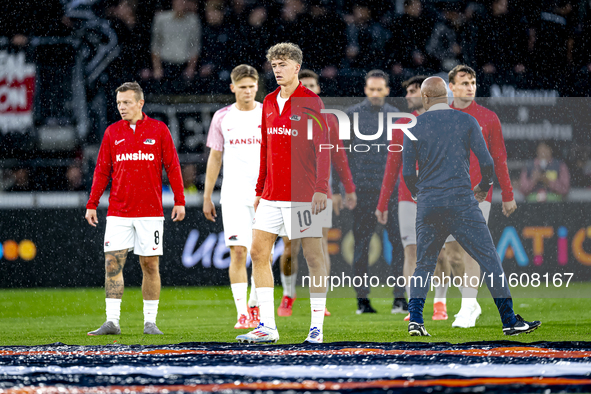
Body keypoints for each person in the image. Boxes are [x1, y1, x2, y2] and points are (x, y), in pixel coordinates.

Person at [403, 77, 540, 337]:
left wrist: (418, 193)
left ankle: (416, 320)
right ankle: (509, 319)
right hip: (461, 202)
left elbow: (408, 172)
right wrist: (483, 186)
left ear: (424, 99)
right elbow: (487, 162)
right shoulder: (466, 121)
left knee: (424, 264)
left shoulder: (413, 126)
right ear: (447, 95)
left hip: (430, 203)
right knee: (489, 260)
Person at [236, 42, 330, 344]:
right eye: (274, 65)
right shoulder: (269, 102)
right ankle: (267, 326)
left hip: (304, 194)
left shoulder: (311, 102)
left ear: (297, 67)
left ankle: (316, 327)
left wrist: (321, 189)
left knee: (314, 257)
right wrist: (260, 189)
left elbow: (323, 149)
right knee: (258, 252)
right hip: (272, 195)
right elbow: (265, 149)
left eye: (283, 64)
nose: (277, 70)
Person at [85, 82, 185, 336]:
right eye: (119, 103)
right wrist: (92, 203)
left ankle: (150, 322)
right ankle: (112, 321)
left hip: (150, 213)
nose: (121, 107)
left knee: (150, 266)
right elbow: (101, 171)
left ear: (140, 103)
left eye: (127, 102)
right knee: (113, 265)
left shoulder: (159, 129)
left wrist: (180, 200)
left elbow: (173, 166)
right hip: (118, 212)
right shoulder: (112, 133)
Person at [438, 65, 517, 329]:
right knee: (453, 256)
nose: (470, 87)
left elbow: (500, 158)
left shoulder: (488, 117)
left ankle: (467, 307)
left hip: (478, 194)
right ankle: (470, 301)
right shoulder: (441, 116)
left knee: (471, 252)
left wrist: (507, 193)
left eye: (473, 82)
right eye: (464, 83)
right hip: (446, 194)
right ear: (451, 86)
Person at [277, 69, 357, 318]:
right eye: (305, 86)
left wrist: (347, 189)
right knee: (290, 247)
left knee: (320, 246)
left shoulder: (328, 119)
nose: (309, 90)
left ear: (318, 89)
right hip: (289, 191)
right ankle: (288, 295)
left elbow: (338, 156)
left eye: (312, 85)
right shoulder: (286, 115)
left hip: (318, 193)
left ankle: (319, 301)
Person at [376, 75, 448, 320]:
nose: (407, 96)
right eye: (406, 91)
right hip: (407, 199)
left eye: (412, 90)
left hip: (437, 197)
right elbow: (391, 166)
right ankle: (414, 306)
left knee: (438, 253)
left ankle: (440, 303)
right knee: (411, 251)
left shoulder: (442, 123)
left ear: (426, 94)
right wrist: (382, 202)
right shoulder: (401, 126)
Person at [203, 64, 263, 330]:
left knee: (261, 255)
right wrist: (207, 196)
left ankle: (255, 306)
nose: (248, 91)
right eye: (242, 87)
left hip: (264, 195)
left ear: (257, 86)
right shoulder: (222, 117)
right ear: (233, 88)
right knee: (238, 252)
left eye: (251, 86)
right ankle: (242, 313)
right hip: (234, 195)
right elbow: (215, 157)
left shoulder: (268, 114)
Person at [340, 70, 405, 314]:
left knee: (399, 244)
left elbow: (405, 158)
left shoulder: (397, 118)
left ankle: (400, 298)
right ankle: (362, 300)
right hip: (362, 191)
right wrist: (344, 189)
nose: (376, 93)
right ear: (365, 90)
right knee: (361, 245)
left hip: (393, 192)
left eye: (380, 89)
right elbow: (340, 157)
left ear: (387, 90)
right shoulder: (351, 116)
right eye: (372, 89)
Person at [151, 0, 201, 91]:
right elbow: (156, 45)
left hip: (183, 66)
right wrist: (157, 68)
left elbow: (195, 46)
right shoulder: (161, 19)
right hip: (165, 65)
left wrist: (191, 68)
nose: (181, 4)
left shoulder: (193, 21)